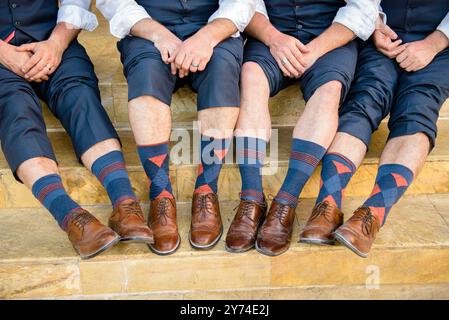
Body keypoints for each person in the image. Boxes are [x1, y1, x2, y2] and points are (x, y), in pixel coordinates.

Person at [95, 0, 261, 254]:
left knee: (221, 72)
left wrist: (207, 36)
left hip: (214, 26)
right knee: (146, 78)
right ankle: (161, 194)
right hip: (147, 29)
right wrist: (159, 34)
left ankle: (206, 189)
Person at [226, 0, 381, 256]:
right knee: (251, 75)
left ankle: (286, 201)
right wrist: (274, 38)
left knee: (329, 90)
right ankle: (251, 198)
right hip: (272, 33)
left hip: (331, 35)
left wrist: (314, 50)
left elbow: (363, 8)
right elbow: (243, 3)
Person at [0, 0, 153, 260]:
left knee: (81, 96)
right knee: (16, 110)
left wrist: (56, 43)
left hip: (51, 39)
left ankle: (125, 203)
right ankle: (70, 216)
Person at [301, 0, 449, 258]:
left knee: (417, 108)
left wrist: (434, 43)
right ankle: (327, 203)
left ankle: (372, 214)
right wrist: (375, 24)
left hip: (439, 45)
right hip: (382, 36)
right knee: (364, 100)